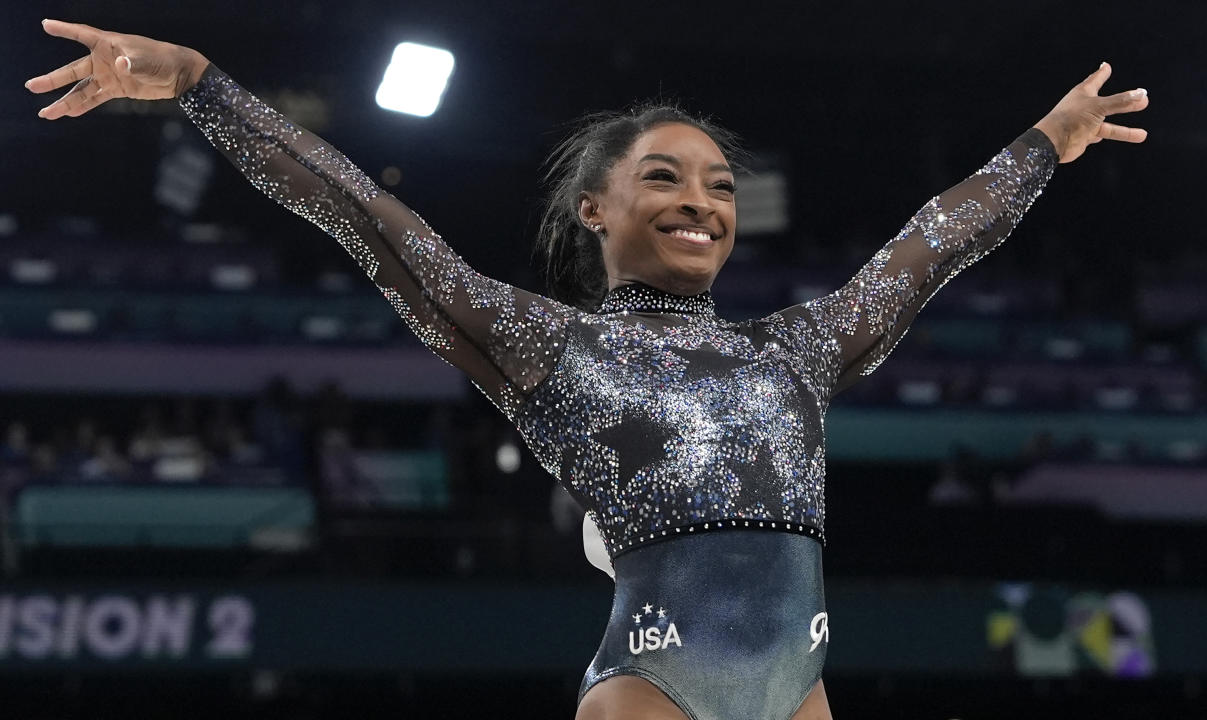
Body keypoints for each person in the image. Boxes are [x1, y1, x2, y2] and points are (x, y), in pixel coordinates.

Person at [25, 18, 1148, 720]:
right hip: (648, 693)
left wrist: (1042, 143)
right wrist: (199, 84)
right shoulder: (546, 347)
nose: (699, 203)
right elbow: (361, 215)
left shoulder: (794, 352)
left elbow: (930, 247)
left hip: (794, 692)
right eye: (663, 178)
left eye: (717, 185)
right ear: (595, 209)